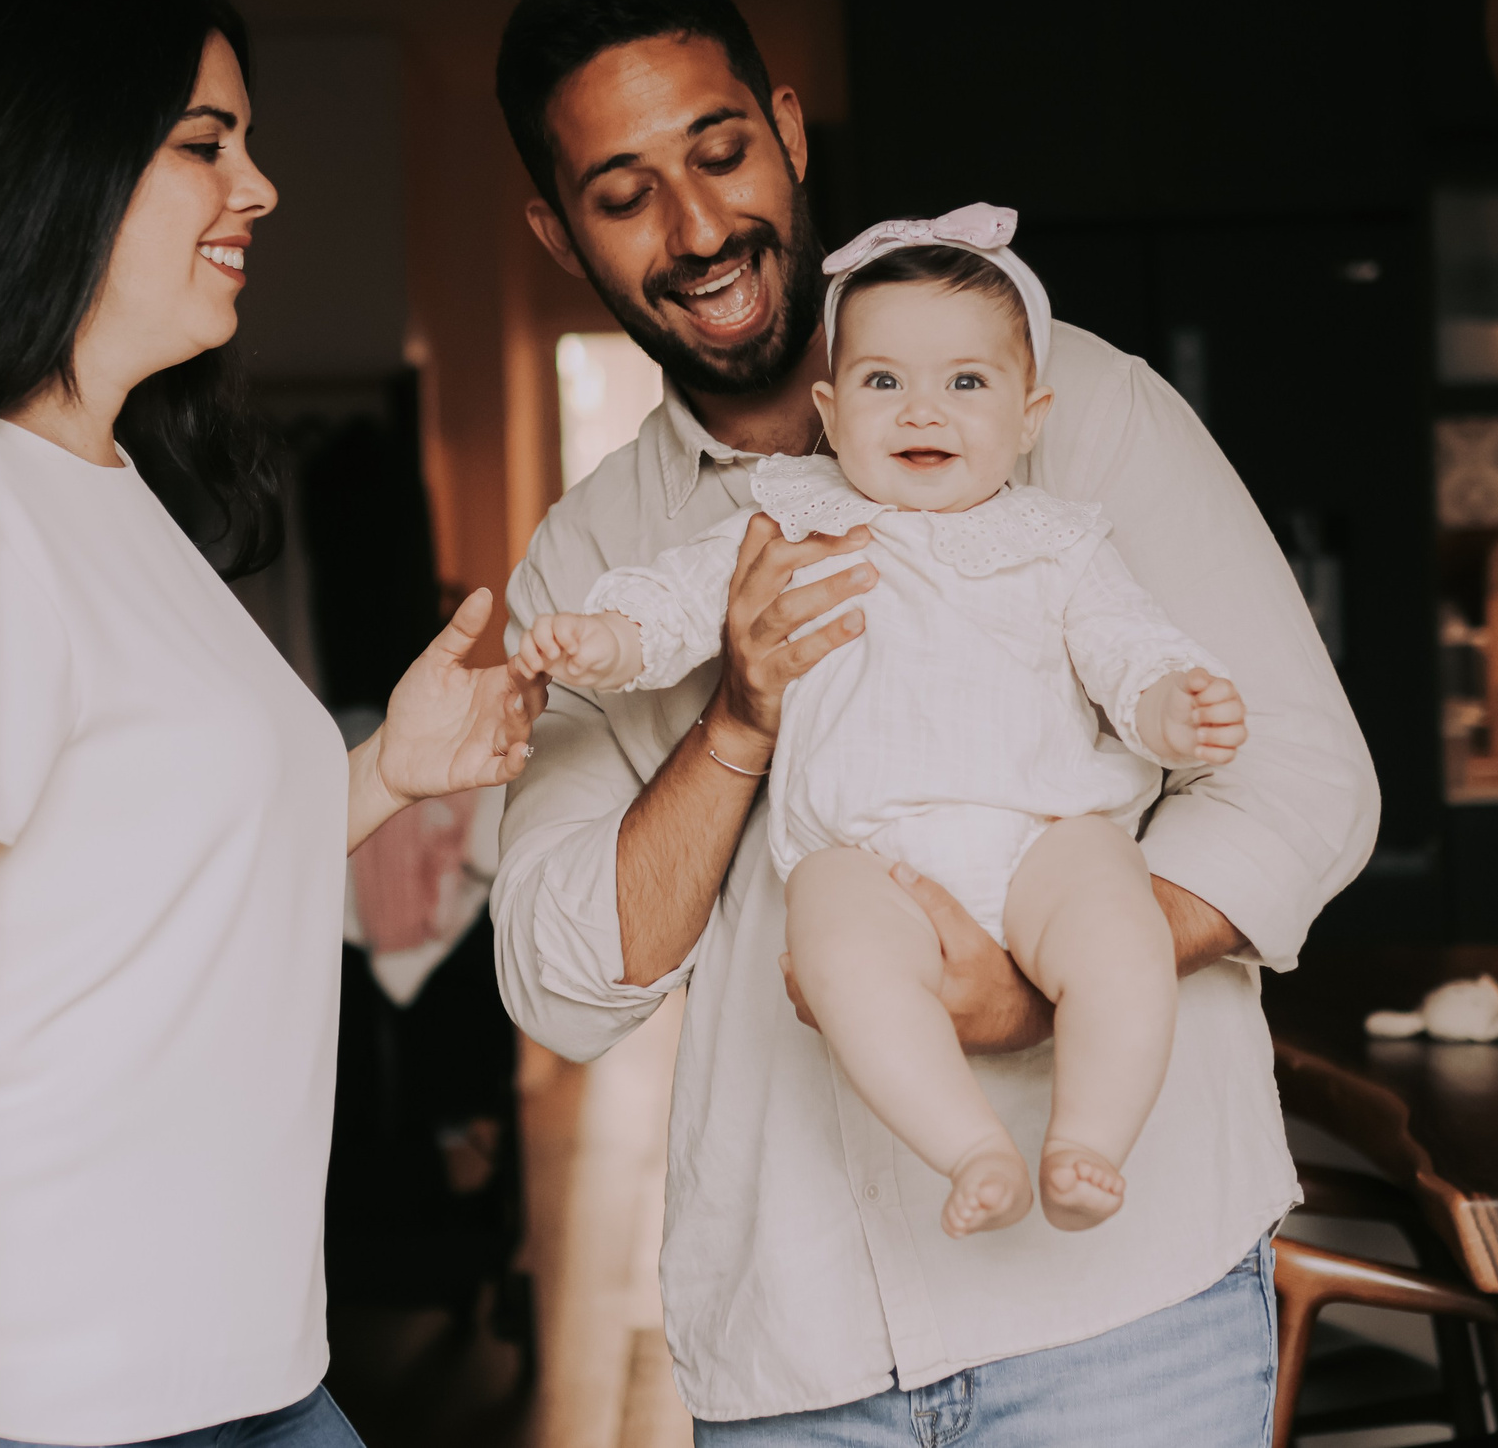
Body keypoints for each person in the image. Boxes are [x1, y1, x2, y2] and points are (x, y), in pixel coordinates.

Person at [490, 0, 1377, 1445]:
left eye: (720, 152)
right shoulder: (599, 557)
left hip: (1126, 1305)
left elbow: (1303, 779)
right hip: (801, 1336)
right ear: (557, 231)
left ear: (788, 130)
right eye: (625, 193)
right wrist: (737, 722)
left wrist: (1038, 981)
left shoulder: (1081, 409)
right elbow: (563, 984)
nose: (698, 227)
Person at [0, 0, 541, 1448]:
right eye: (206, 142)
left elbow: (129, 880)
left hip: (206, 1367)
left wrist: (385, 773)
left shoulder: (107, 486)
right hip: (0, 1393)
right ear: (52, 164)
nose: (259, 186)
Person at [514, 210, 1247, 1241]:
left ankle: (1088, 1139)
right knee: (837, 957)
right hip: (866, 853)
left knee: (1121, 930)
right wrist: (610, 639)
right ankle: (970, 1147)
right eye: (883, 381)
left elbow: (1128, 647)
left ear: (1029, 417)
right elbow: (682, 600)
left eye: (966, 382)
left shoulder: (1059, 541)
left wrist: (1172, 706)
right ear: (830, 408)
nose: (922, 411)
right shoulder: (794, 518)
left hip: (1047, 836)